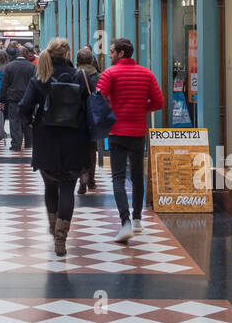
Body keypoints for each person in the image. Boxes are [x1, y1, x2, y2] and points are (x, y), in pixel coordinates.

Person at [18, 38, 91, 255]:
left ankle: (53, 228)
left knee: (50, 187)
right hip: (74, 139)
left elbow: (23, 107)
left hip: (46, 138)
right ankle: (61, 238)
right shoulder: (80, 77)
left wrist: (31, 122)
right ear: (67, 54)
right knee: (68, 188)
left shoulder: (41, 77)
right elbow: (89, 107)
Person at [97, 38, 165, 243]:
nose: (109, 55)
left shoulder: (110, 74)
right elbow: (159, 102)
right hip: (137, 132)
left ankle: (125, 222)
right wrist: (141, 108)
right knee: (136, 176)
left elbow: (98, 98)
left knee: (118, 178)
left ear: (120, 53)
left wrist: (110, 111)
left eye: (111, 52)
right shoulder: (146, 74)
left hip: (117, 132)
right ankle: (137, 220)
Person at [75, 48, 102, 194]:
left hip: (78, 118)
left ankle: (82, 178)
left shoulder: (74, 75)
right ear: (91, 60)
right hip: (94, 117)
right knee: (92, 150)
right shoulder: (99, 76)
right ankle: (91, 180)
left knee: (79, 149)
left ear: (77, 61)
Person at [1, 43, 37, 152]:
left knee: (14, 121)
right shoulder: (32, 67)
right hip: (28, 98)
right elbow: (35, 83)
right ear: (26, 54)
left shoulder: (9, 66)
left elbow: (4, 85)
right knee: (28, 120)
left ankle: (16, 145)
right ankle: (29, 143)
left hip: (14, 98)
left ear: (17, 54)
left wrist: (1, 100)